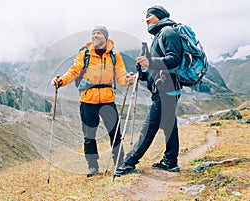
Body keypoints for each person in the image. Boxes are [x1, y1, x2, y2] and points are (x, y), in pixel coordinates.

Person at [51, 25, 135, 177]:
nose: (95, 36)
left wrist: (127, 80)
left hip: (108, 100)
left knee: (115, 133)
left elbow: (120, 76)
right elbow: (74, 71)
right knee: (89, 135)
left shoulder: (115, 55)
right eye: (93, 34)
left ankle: (120, 163)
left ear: (105, 37)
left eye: (98, 33)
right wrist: (61, 81)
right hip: (87, 100)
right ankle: (92, 166)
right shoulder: (85, 54)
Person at [114, 5, 183, 176]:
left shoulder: (168, 32)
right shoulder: (160, 35)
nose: (146, 19)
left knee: (149, 127)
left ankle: (127, 164)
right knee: (169, 126)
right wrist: (140, 76)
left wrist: (149, 62)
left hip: (166, 91)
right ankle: (170, 161)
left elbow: (174, 59)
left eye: (150, 16)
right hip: (166, 89)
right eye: (145, 17)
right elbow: (157, 69)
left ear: (160, 16)